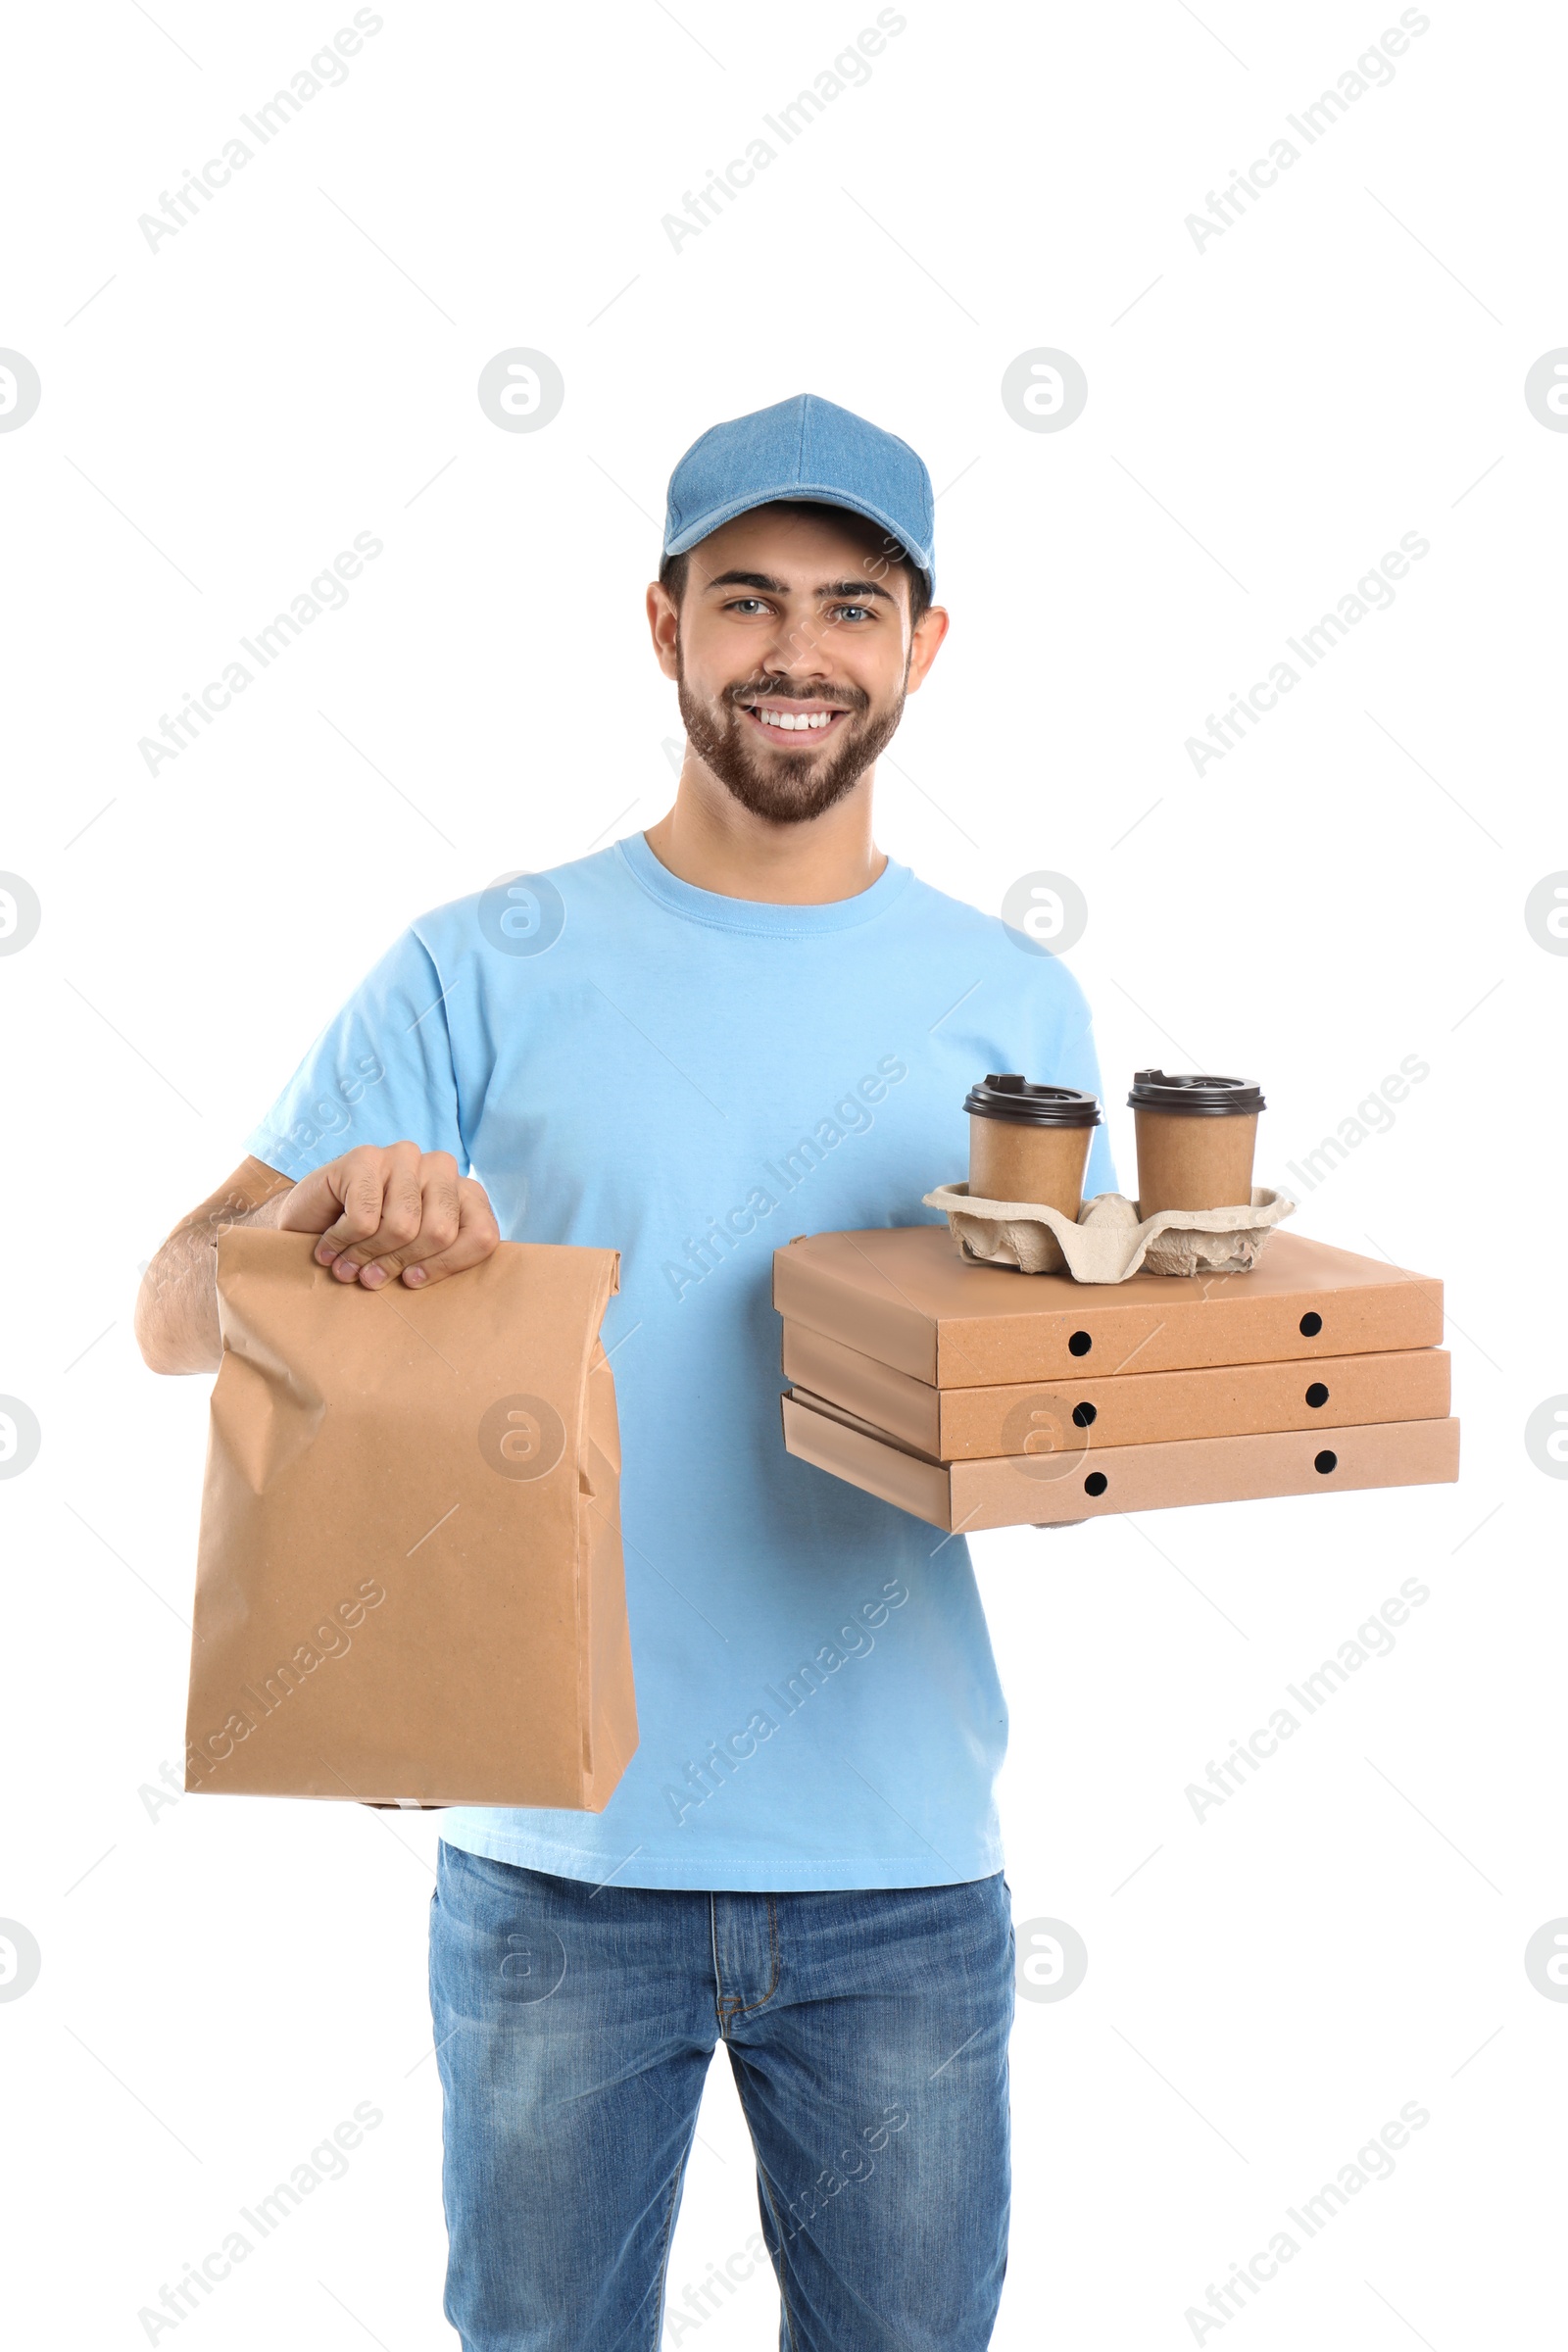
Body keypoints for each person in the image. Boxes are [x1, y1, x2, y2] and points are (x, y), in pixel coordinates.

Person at [136, 392, 1116, 2351]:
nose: (794, 653)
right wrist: (337, 1203)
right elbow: (174, 1309)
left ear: (920, 649)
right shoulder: (480, 964)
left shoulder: (1009, 1003)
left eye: (849, 606)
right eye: (744, 599)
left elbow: (1051, 1403)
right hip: (551, 1874)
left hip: (900, 1871)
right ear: (659, 622)